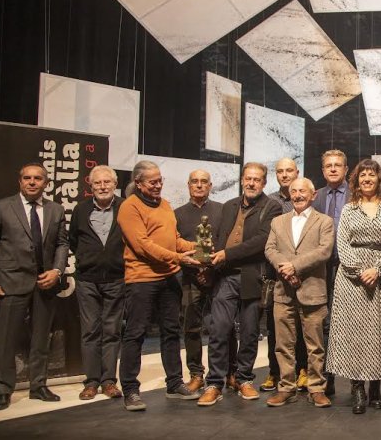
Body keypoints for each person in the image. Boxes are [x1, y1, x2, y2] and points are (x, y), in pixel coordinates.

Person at [116, 160, 201, 411]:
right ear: (138, 183)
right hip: (142, 279)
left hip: (168, 277)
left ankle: (174, 383)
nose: (158, 185)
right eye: (152, 181)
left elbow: (173, 239)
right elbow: (142, 244)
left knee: (171, 331)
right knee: (136, 333)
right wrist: (178, 258)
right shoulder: (129, 207)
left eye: (160, 180)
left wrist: (199, 248)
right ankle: (130, 390)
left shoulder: (164, 205)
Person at [197, 163, 282, 407]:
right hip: (225, 277)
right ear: (242, 180)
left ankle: (244, 379)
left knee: (249, 332)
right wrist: (210, 260)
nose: (251, 183)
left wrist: (226, 254)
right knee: (219, 329)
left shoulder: (272, 207)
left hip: (252, 276)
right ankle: (214, 383)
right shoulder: (228, 206)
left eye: (257, 179)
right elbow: (218, 238)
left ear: (264, 183)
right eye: (248, 178)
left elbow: (261, 242)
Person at [325, 159, 381, 414]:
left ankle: (375, 388)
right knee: (356, 334)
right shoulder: (349, 210)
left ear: (379, 179)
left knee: (378, 333)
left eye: (372, 175)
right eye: (363, 176)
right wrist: (360, 270)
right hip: (352, 280)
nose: (368, 179)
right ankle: (357, 387)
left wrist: (379, 269)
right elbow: (343, 245)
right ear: (357, 181)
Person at [0, 163, 69, 411]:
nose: (32, 182)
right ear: (20, 181)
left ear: (46, 183)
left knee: (41, 339)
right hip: (11, 281)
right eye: (27, 178)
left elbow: (62, 244)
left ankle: (38, 386)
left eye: (38, 178)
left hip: (45, 283)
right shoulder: (2, 207)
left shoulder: (55, 210)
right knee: (5, 340)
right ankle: (3, 389)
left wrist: (57, 271)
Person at [264, 177, 335, 408]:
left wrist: (295, 266)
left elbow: (324, 251)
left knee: (315, 345)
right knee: (283, 344)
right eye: (293, 191)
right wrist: (285, 268)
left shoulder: (324, 221)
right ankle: (286, 387)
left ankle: (316, 388)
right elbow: (270, 249)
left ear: (313, 195)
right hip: (283, 292)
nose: (297, 195)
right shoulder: (278, 221)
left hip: (312, 291)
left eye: (302, 191)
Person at [173, 170, 234, 394]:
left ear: (210, 186)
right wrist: (197, 265)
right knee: (191, 327)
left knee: (223, 327)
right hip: (189, 277)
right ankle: (196, 374)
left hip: (218, 275)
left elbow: (226, 241)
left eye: (204, 182)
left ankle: (230, 373)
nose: (199, 186)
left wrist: (210, 269)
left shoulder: (222, 210)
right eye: (195, 182)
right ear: (188, 185)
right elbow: (174, 244)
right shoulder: (177, 214)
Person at [68, 165, 125, 401]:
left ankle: (109, 381)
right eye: (97, 184)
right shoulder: (80, 210)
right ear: (90, 186)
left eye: (106, 182)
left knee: (112, 331)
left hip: (116, 278)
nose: (102, 187)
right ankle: (91, 382)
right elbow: (73, 241)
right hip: (87, 280)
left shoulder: (126, 208)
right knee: (90, 332)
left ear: (115, 184)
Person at [261, 157, 309, 393]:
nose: (284, 174)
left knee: (300, 325)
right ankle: (274, 371)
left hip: (300, 272)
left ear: (297, 172)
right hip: (276, 272)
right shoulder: (269, 201)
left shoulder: (305, 198)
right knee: (275, 326)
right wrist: (282, 266)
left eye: (289, 170)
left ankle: (302, 369)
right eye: (280, 171)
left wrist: (295, 266)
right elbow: (268, 240)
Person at [312, 149, 349, 396]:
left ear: (346, 169)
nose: (333, 169)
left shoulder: (357, 195)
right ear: (323, 170)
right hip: (322, 268)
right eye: (328, 166)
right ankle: (328, 377)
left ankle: (358, 377)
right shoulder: (316, 196)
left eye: (337, 165)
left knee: (351, 323)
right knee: (324, 323)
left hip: (350, 267)